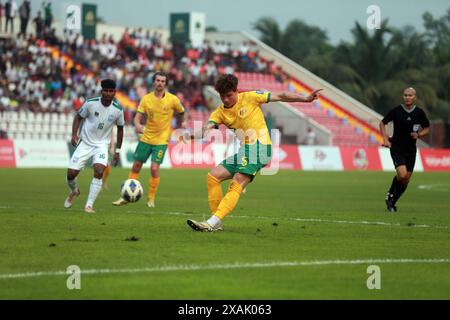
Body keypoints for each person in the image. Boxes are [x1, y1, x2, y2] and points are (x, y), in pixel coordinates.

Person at [185, 74, 322, 232]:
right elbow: (207, 129)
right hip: (246, 150)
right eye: (223, 96)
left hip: (260, 147)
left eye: (229, 95)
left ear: (236, 91)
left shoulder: (251, 97)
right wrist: (188, 136)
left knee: (237, 181)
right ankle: (216, 222)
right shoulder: (219, 113)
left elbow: (281, 95)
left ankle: (211, 223)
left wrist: (306, 98)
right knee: (213, 177)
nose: (226, 100)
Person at [112, 72, 187, 208]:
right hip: (146, 138)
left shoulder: (173, 99)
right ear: (154, 82)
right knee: (136, 166)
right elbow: (137, 117)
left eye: (163, 81)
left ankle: (151, 199)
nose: (160, 83)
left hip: (162, 140)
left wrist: (183, 123)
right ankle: (126, 196)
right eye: (158, 80)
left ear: (165, 83)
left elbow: (182, 112)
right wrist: (138, 124)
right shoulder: (146, 99)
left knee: (154, 168)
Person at [64, 79, 124, 213]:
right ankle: (74, 191)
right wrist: (74, 134)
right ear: (102, 91)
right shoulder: (90, 104)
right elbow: (78, 117)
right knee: (71, 174)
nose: (108, 93)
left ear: (114, 92)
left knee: (99, 171)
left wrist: (117, 151)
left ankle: (89, 205)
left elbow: (120, 129)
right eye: (106, 91)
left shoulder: (118, 110)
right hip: (85, 142)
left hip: (102, 145)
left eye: (111, 91)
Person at [379, 87, 430, 212]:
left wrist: (419, 135)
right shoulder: (397, 111)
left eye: (410, 95)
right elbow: (382, 123)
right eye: (405, 95)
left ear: (415, 97)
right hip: (397, 147)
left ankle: (392, 202)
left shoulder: (419, 113)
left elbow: (427, 128)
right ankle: (389, 195)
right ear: (403, 97)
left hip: (411, 150)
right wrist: (385, 139)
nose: (407, 97)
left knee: (406, 179)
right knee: (401, 175)